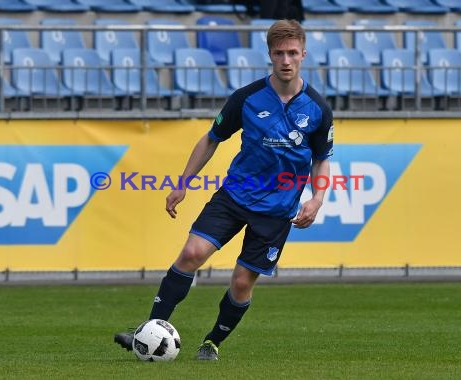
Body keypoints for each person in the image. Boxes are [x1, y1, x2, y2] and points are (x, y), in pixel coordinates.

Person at [114, 19, 333, 361]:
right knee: (190, 254)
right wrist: (182, 183)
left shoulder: (318, 109)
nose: (286, 60)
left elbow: (321, 159)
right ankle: (149, 331)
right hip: (234, 196)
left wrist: (317, 199)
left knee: (243, 283)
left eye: (292, 53)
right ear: (270, 55)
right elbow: (211, 139)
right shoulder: (246, 98)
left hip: (276, 212)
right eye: (279, 53)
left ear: (303, 54)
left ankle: (212, 342)